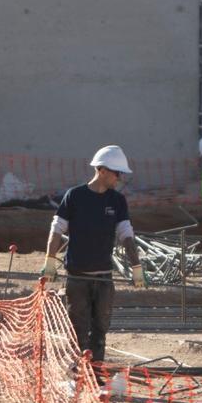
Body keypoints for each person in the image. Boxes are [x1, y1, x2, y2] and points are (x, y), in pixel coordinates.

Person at [40, 145, 144, 363]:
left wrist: (136, 267)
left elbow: (126, 235)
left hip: (104, 277)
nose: (119, 178)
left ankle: (95, 375)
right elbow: (56, 229)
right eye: (117, 173)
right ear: (102, 170)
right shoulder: (75, 196)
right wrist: (49, 261)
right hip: (77, 277)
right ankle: (78, 375)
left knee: (100, 331)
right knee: (78, 330)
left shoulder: (117, 201)